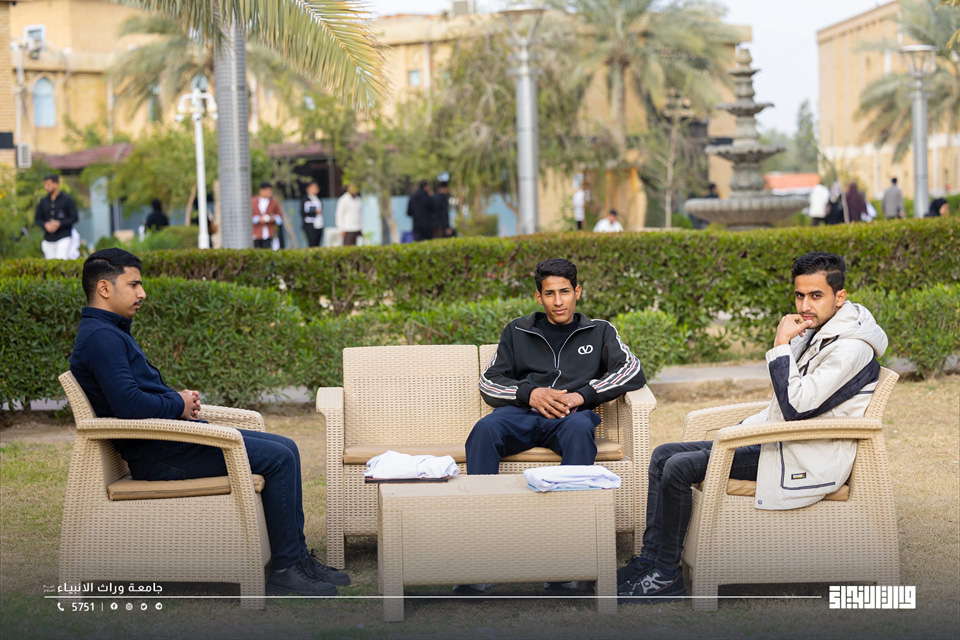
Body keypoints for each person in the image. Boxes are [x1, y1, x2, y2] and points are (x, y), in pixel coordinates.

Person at [68, 248, 350, 596]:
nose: (143, 293)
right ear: (104, 288)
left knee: (286, 447)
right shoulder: (101, 338)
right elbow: (129, 405)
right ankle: (286, 569)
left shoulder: (108, 332)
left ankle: (297, 558)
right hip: (162, 455)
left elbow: (133, 396)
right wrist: (178, 403)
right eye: (134, 284)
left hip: (170, 443)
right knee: (279, 457)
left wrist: (179, 403)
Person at [617, 251, 888, 605]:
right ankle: (650, 561)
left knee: (680, 467)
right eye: (799, 295)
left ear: (840, 297)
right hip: (784, 441)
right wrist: (742, 429)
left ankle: (667, 576)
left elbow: (795, 407)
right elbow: (788, 403)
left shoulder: (850, 349)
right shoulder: (822, 331)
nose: (805, 305)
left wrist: (781, 345)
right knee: (662, 455)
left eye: (816, 295)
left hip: (808, 455)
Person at [461, 258, 646, 596]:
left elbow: (632, 371)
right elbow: (489, 382)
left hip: (570, 418)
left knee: (580, 429)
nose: (558, 301)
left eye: (565, 292)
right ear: (538, 296)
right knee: (485, 429)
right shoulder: (518, 330)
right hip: (522, 414)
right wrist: (530, 393)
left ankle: (566, 558)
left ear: (578, 292)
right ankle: (480, 552)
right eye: (550, 293)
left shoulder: (600, 331)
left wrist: (582, 395)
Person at [34, 174, 79, 260]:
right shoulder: (43, 201)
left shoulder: (67, 200)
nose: (46, 187)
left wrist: (59, 223)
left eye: (48, 184)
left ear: (56, 184)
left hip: (63, 236)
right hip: (48, 238)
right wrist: (45, 225)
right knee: (49, 262)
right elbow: (38, 219)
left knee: (61, 259)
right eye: (45, 184)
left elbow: (74, 217)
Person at [251, 182, 283, 250]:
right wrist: (258, 219)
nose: (269, 192)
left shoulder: (274, 202)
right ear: (261, 191)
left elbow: (280, 217)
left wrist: (272, 218)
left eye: (270, 190)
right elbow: (248, 217)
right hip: (255, 234)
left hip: (269, 234)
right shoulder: (253, 201)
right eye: (267, 190)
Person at [300, 181, 324, 248]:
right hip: (310, 226)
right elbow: (303, 212)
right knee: (312, 244)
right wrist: (314, 212)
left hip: (319, 224)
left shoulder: (318, 199)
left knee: (318, 244)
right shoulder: (305, 199)